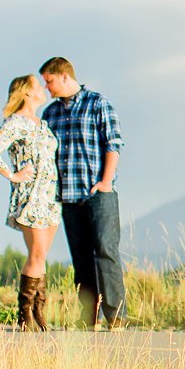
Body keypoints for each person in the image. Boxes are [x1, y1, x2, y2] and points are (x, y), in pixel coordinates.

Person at [39, 56, 125, 329]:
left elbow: (113, 144)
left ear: (64, 76)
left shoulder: (98, 103)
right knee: (81, 258)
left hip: (99, 193)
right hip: (68, 197)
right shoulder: (50, 114)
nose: (47, 89)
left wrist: (106, 182)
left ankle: (116, 315)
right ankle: (89, 316)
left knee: (105, 251)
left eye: (49, 82)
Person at [0, 73, 60, 331]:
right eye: (38, 85)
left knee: (42, 255)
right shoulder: (16, 122)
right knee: (36, 253)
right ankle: (24, 312)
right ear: (26, 92)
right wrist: (12, 175)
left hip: (50, 197)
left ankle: (39, 310)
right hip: (31, 195)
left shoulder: (42, 124)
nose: (42, 89)